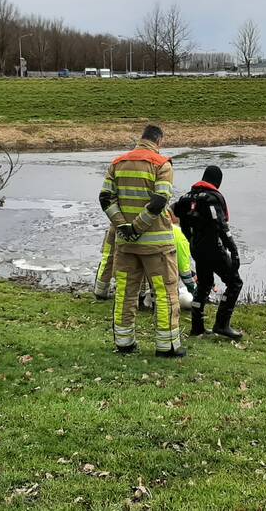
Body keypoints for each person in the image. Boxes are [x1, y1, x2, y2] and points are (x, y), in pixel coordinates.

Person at [98, 125, 184, 357]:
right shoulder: (161, 164)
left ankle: (125, 343)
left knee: (125, 292)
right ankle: (167, 346)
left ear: (141, 139)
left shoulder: (117, 163)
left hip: (125, 245)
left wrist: (122, 226)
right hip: (157, 247)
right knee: (165, 293)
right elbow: (160, 201)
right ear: (160, 141)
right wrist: (137, 227)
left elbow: (105, 198)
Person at [173, 165, 244, 340]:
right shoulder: (211, 198)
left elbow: (180, 220)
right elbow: (221, 226)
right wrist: (234, 251)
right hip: (212, 247)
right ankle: (221, 324)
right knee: (234, 282)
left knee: (204, 284)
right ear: (218, 182)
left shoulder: (188, 197)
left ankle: (197, 328)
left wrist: (191, 241)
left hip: (196, 247)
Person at [94, 213, 196, 311]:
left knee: (118, 264)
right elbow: (183, 269)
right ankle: (143, 299)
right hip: (138, 233)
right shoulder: (178, 234)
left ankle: (102, 292)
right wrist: (195, 291)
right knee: (152, 266)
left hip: (120, 226)